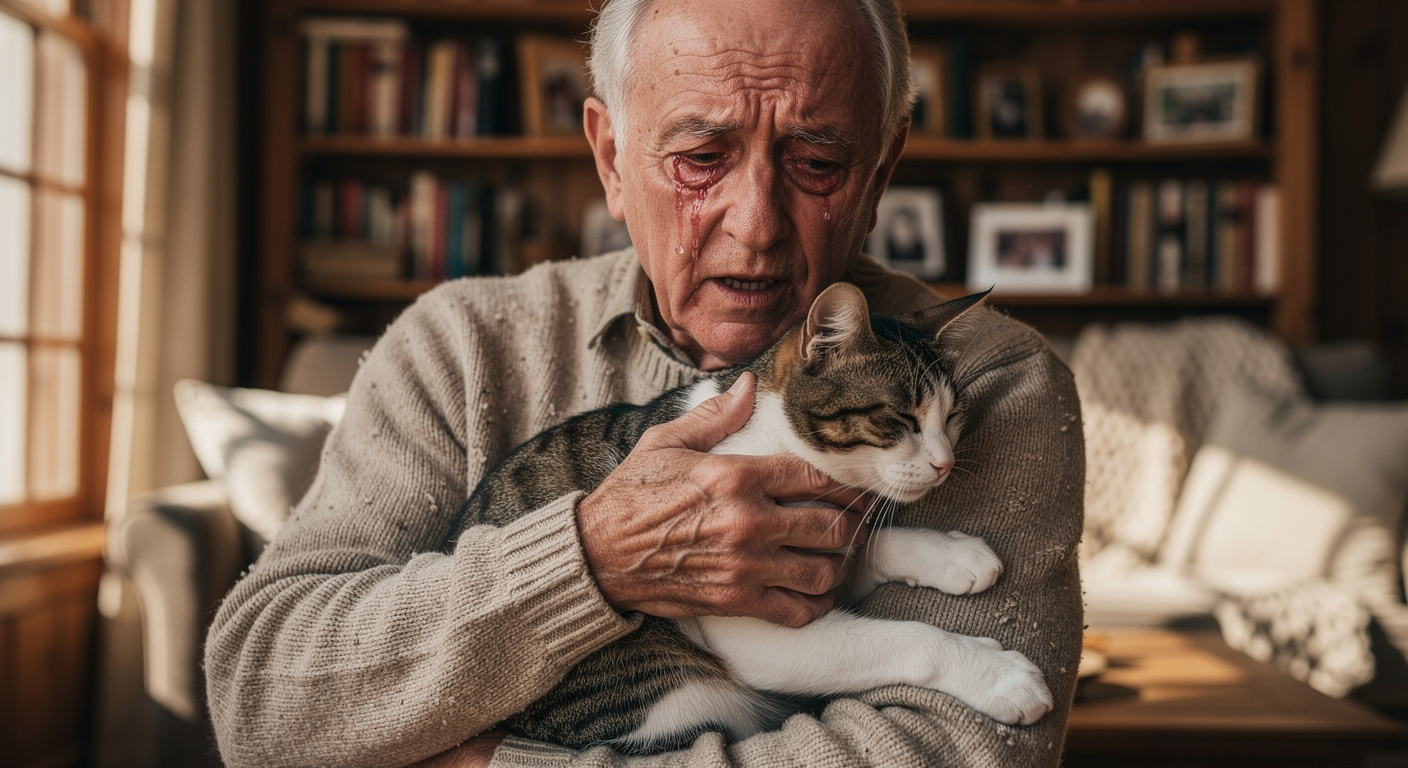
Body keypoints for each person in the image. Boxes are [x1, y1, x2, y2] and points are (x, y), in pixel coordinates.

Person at [204, 0, 1085, 766]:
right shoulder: (459, 346)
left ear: (881, 173)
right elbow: (262, 704)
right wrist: (593, 556)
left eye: (816, 163)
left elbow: (953, 752)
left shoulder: (995, 382)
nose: (757, 224)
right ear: (611, 159)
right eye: (701, 155)